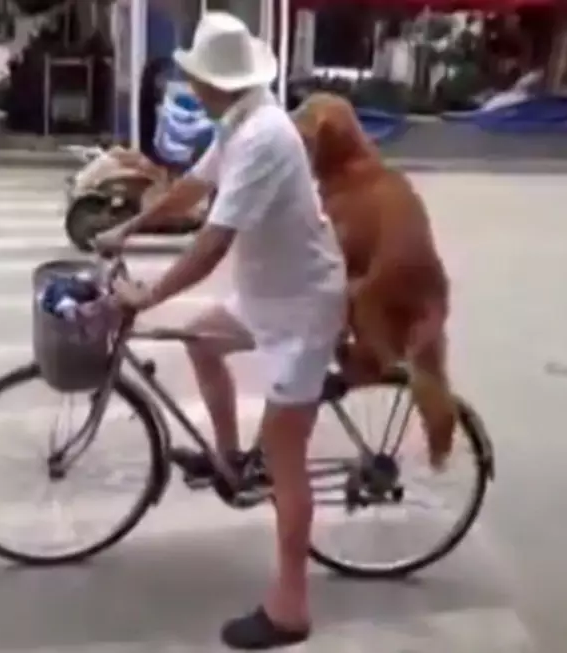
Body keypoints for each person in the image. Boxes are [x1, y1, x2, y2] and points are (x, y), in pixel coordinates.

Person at [93, 11, 346, 650]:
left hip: (306, 305)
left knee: (286, 456)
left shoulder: (263, 137)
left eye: (197, 78)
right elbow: (190, 192)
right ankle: (231, 463)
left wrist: (148, 295)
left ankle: (291, 607)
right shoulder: (237, 121)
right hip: (269, 293)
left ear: (219, 82)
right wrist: (129, 228)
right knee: (204, 339)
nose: (191, 86)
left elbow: (209, 246)